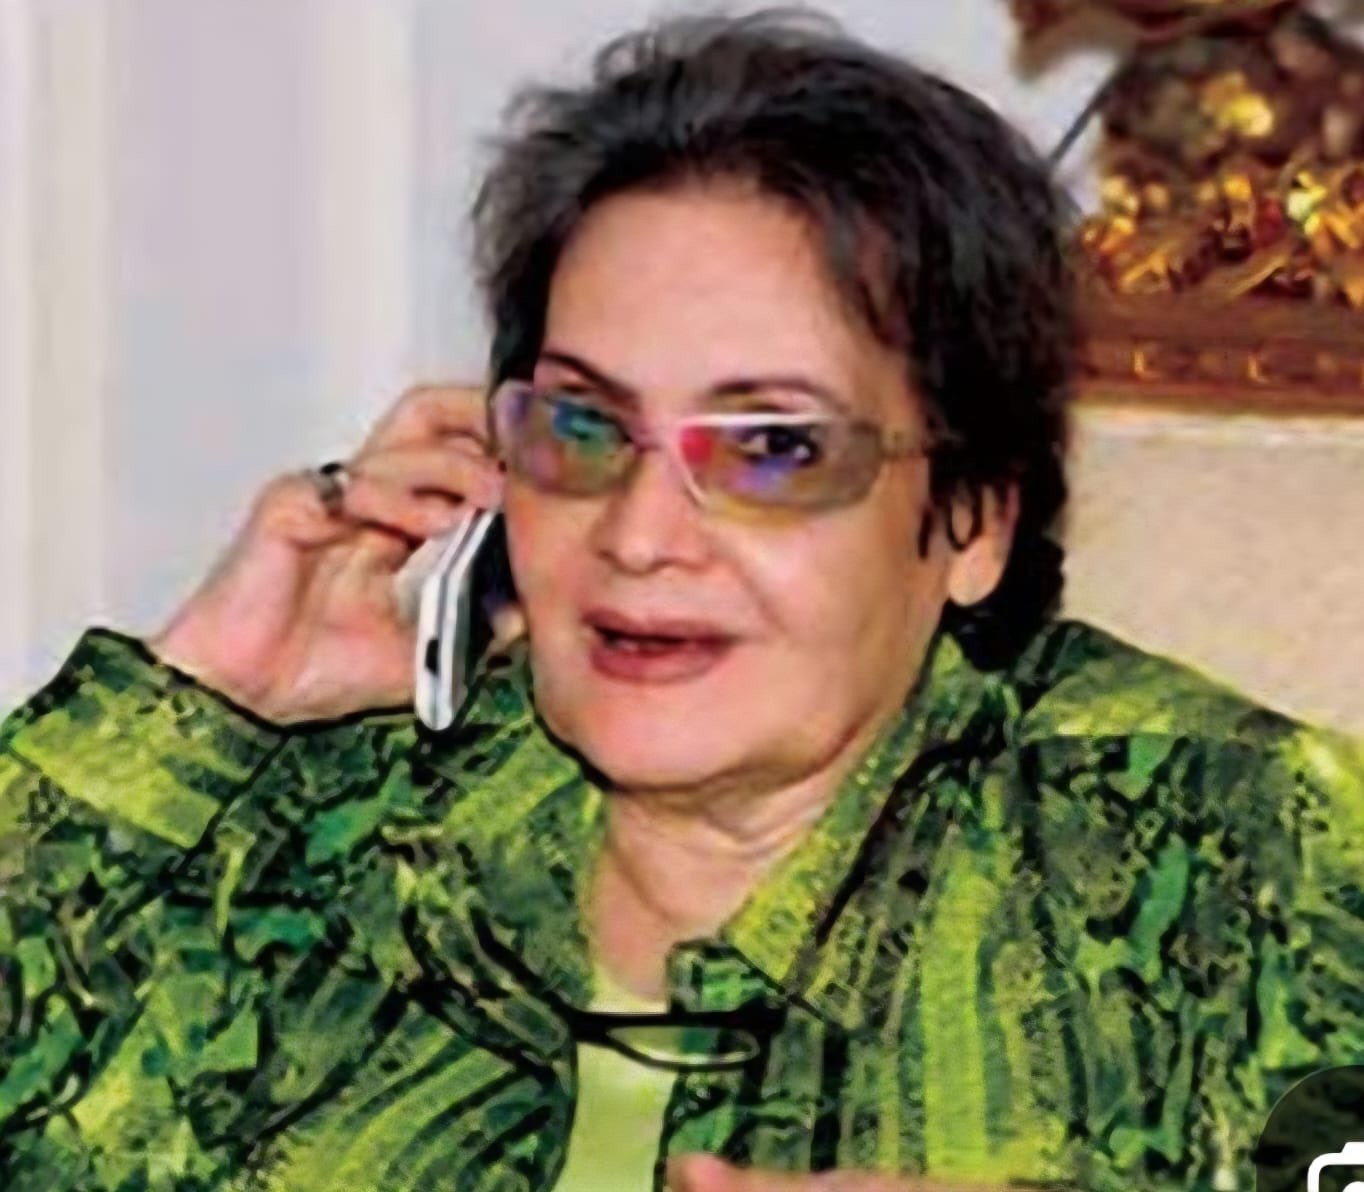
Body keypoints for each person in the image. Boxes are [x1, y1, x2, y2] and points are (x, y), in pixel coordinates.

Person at [2, 10, 1362, 1192]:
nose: (642, 536)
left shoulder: (1242, 858)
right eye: (585, 430)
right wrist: (187, 703)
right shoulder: (315, 833)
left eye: (773, 449)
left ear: (970, 522)